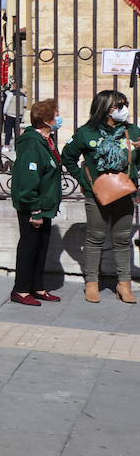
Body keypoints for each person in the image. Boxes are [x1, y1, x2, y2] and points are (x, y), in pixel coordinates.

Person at [62, 89, 140, 304]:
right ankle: (92, 283)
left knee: (123, 238)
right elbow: (68, 157)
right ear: (105, 108)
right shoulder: (86, 132)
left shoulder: (132, 131)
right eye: (119, 105)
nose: (124, 110)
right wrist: (84, 179)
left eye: (124, 104)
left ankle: (124, 284)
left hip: (124, 192)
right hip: (96, 194)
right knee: (95, 237)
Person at [9, 99, 64, 306]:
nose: (59, 117)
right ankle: (21, 290)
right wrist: (35, 210)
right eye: (56, 113)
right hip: (34, 206)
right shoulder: (31, 143)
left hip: (45, 206)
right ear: (46, 119)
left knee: (41, 247)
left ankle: (37, 286)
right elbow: (28, 179)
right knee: (29, 246)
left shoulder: (46, 141)